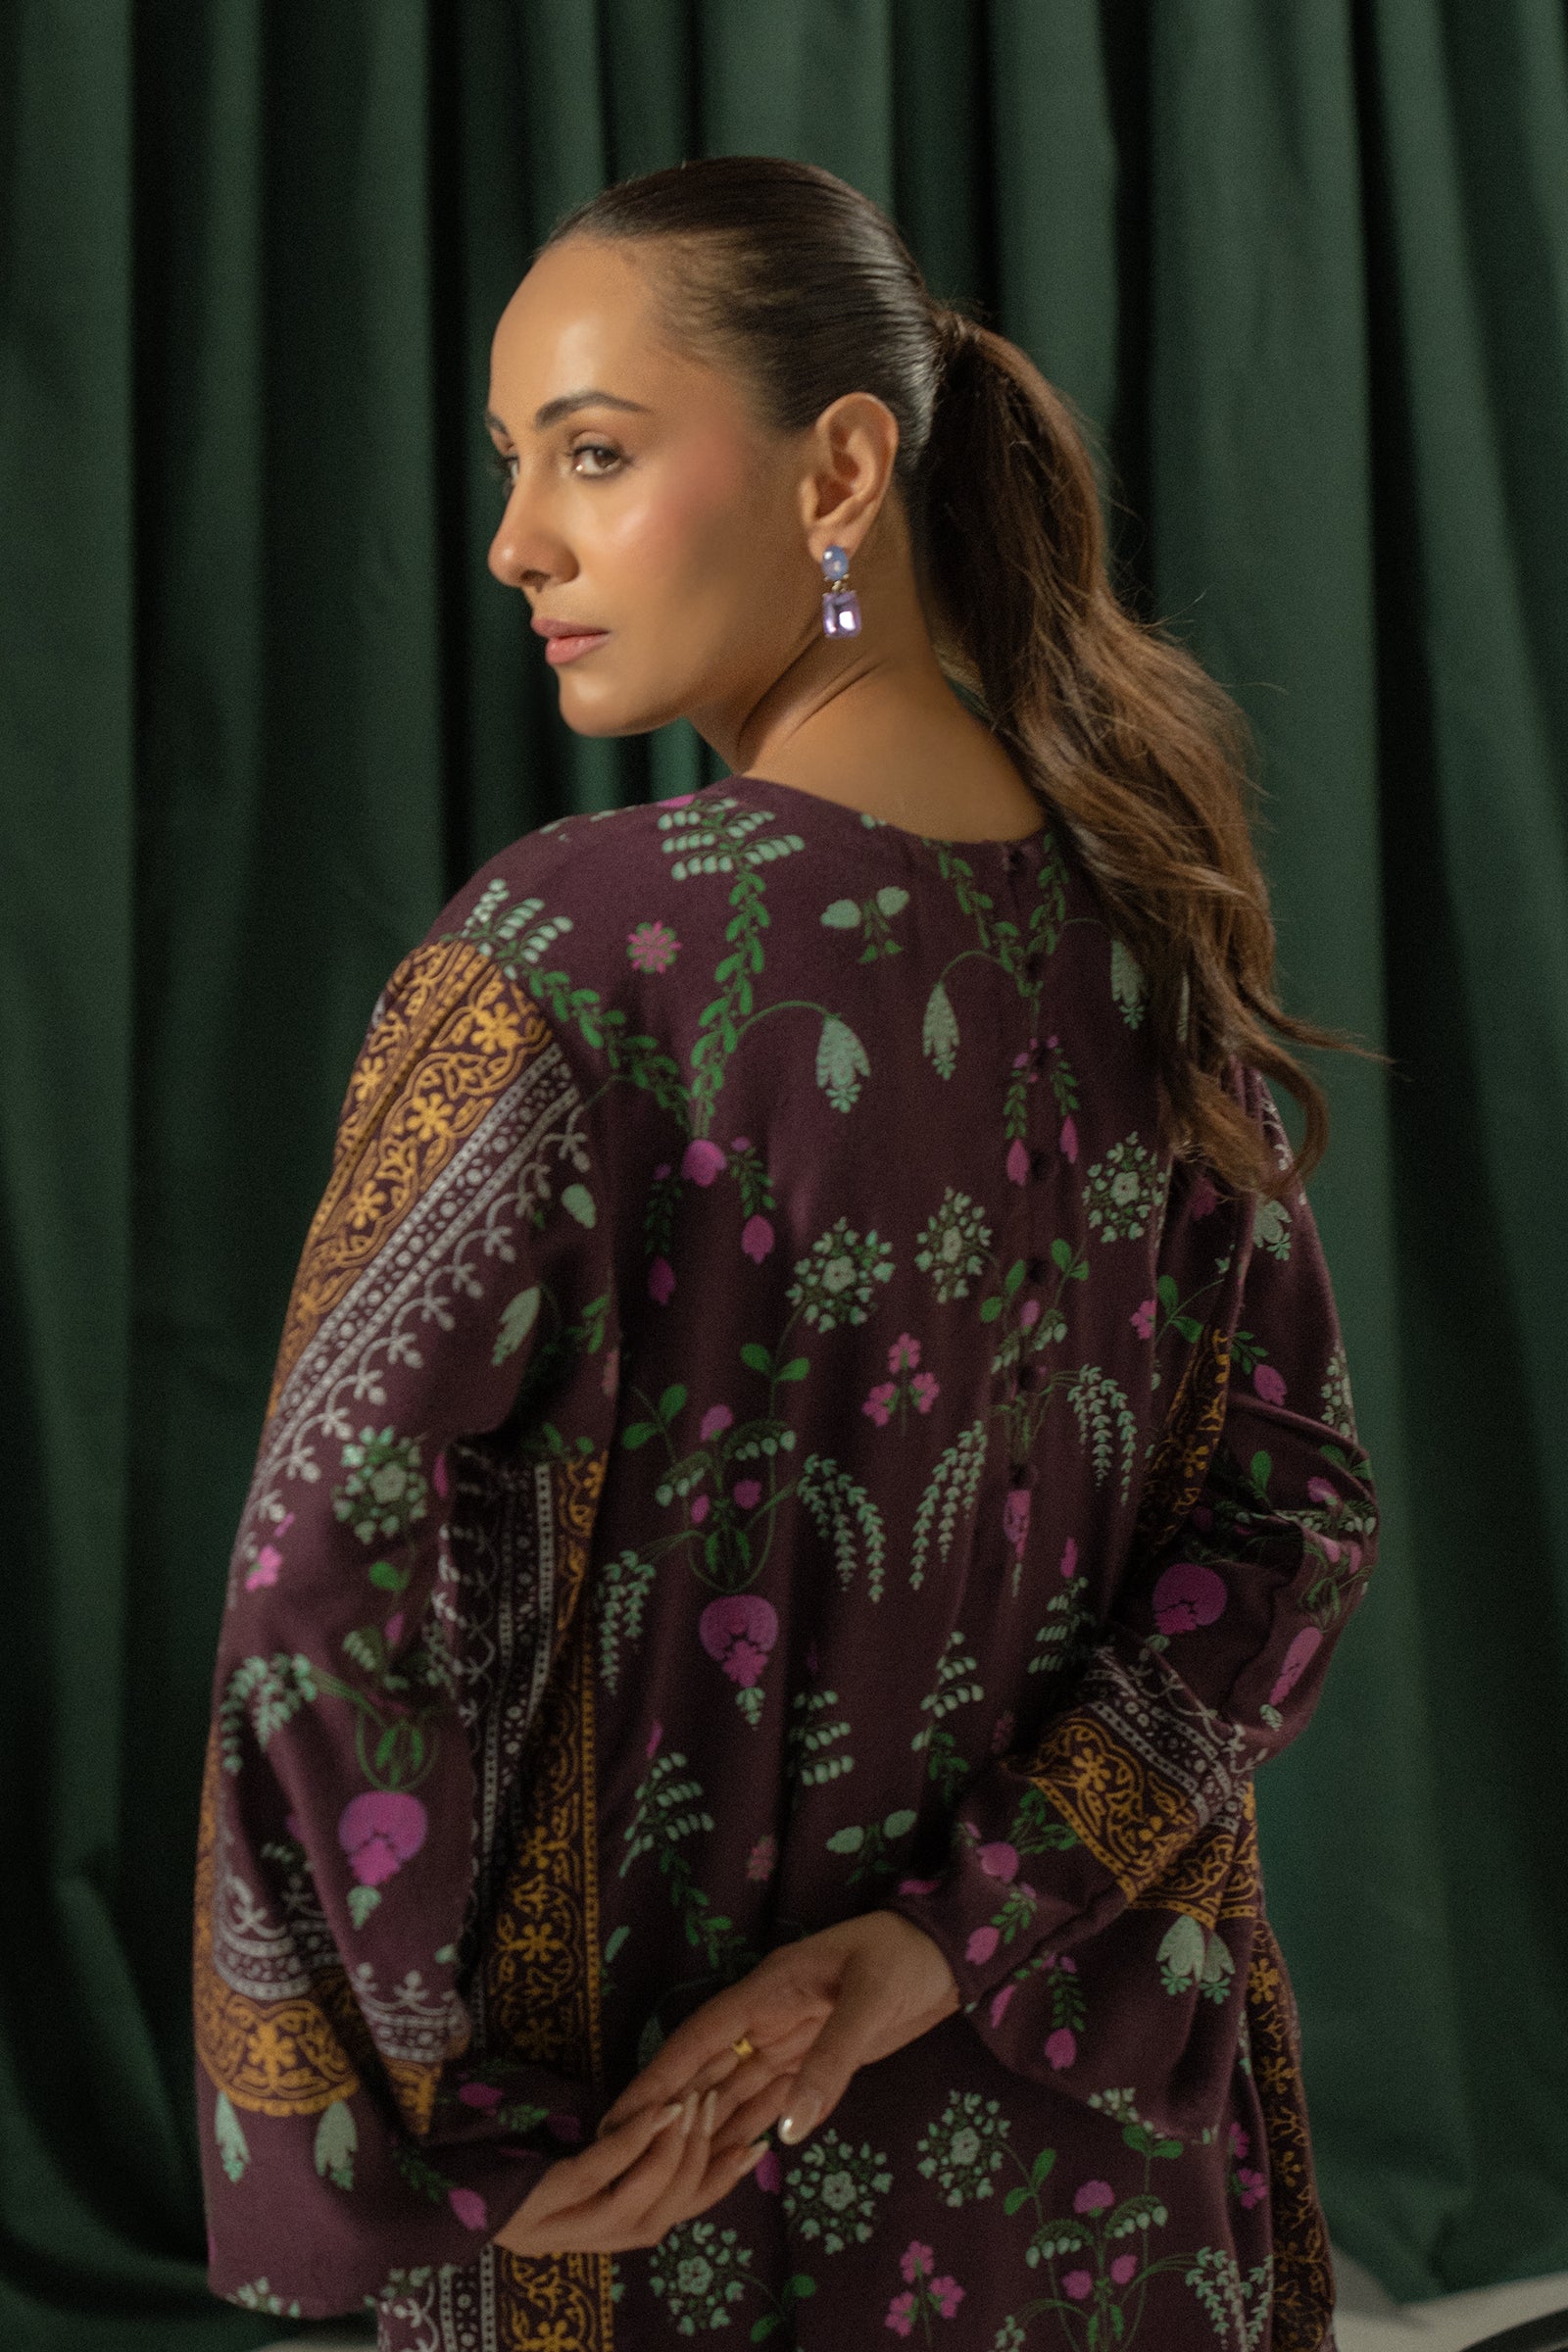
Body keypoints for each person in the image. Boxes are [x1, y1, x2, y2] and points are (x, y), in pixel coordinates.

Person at [194, 155, 1378, 2352]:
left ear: (841, 469)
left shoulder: (571, 954)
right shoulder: (1155, 940)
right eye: (510, 462)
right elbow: (1284, 1532)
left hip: (660, 2185)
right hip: (1106, 2180)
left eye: (592, 453)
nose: (514, 541)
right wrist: (942, 1938)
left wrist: (430, 2147)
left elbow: (315, 1586)